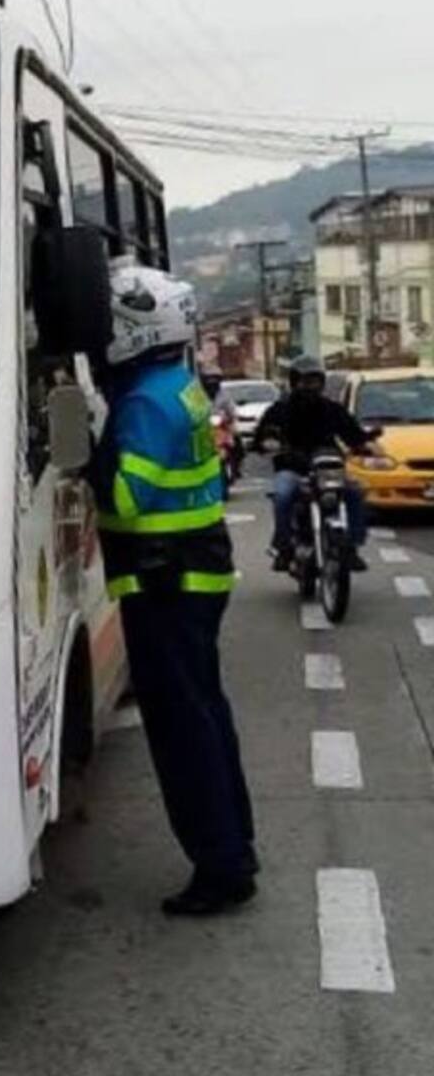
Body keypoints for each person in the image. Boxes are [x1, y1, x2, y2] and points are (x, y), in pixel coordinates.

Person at [89, 263, 258, 916]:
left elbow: (126, 499)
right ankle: (235, 845)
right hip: (194, 572)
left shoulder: (141, 400)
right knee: (207, 714)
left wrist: (84, 458)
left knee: (182, 729)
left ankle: (221, 866)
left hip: (163, 579)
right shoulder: (177, 383)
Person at [250, 355, 373, 573]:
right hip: (292, 469)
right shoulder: (280, 410)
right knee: (282, 495)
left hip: (328, 470)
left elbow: (352, 433)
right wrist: (266, 443)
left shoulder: (332, 409)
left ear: (322, 382)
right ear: (294, 381)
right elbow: (263, 436)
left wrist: (365, 444)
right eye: (304, 381)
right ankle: (283, 546)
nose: (309, 386)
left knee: (355, 491)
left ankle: (352, 546)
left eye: (314, 381)